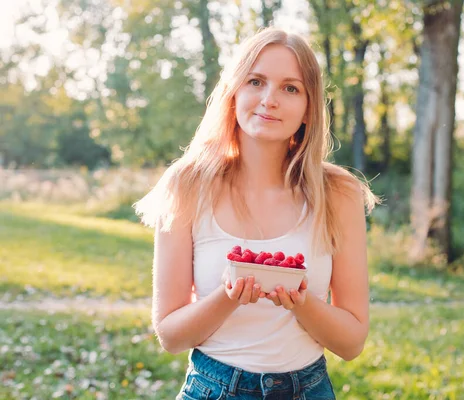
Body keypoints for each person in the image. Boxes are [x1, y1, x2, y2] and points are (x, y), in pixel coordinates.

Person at [134, 27, 379, 400]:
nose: (269, 99)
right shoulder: (187, 184)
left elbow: (351, 343)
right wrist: (227, 297)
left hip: (308, 389)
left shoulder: (338, 193)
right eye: (256, 81)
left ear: (309, 108)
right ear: (234, 93)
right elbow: (170, 335)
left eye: (290, 88)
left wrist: (302, 303)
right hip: (212, 389)